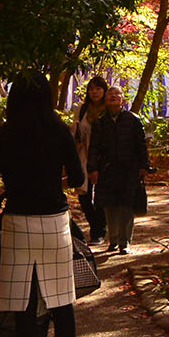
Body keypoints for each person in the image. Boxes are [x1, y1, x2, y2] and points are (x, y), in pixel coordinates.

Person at [0, 71, 85, 337]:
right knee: (62, 300)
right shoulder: (59, 131)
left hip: (19, 223)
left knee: (22, 303)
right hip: (55, 222)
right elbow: (77, 178)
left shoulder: (3, 135)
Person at [87, 85, 151, 254]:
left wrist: (144, 166)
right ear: (105, 100)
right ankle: (113, 239)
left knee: (126, 205)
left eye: (117, 94)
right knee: (110, 206)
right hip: (107, 170)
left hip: (129, 170)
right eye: (110, 94)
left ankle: (125, 241)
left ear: (123, 100)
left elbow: (141, 145)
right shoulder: (100, 122)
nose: (113, 96)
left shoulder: (133, 120)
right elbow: (93, 148)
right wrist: (92, 169)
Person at [72, 75, 109, 245]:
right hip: (84, 155)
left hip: (103, 157)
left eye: (98, 89)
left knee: (101, 194)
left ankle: (99, 231)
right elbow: (75, 130)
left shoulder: (109, 108)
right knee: (84, 195)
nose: (94, 92)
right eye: (92, 89)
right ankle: (96, 225)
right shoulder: (82, 108)